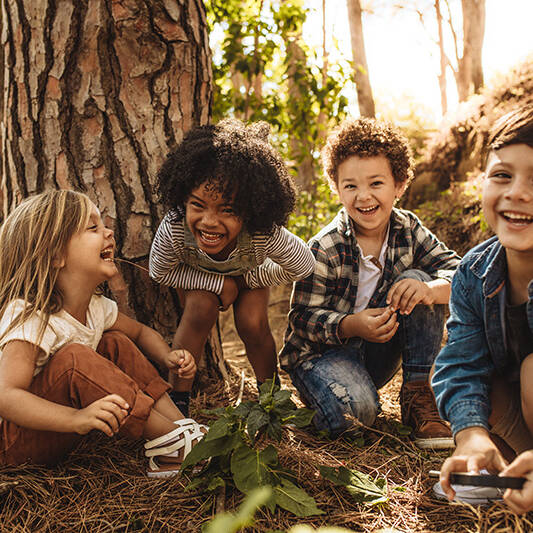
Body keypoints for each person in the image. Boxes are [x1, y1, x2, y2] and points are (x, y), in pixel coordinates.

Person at [280, 117, 460, 448]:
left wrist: (430, 290)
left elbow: (460, 273)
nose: (364, 196)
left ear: (400, 184)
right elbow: (301, 319)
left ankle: (418, 394)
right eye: (351, 186)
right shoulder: (325, 246)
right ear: (336, 188)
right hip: (321, 357)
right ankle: (334, 400)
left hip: (377, 352)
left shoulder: (408, 229)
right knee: (357, 415)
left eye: (376, 183)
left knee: (418, 281)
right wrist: (351, 325)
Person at [0, 190, 206, 478]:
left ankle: (180, 428)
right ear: (56, 255)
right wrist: (76, 418)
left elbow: (140, 332)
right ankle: (174, 443)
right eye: (93, 227)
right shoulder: (32, 316)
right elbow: (7, 397)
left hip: (58, 431)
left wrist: (167, 355)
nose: (109, 232)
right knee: (75, 358)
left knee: (116, 342)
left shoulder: (97, 308)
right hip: (13, 444)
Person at [149, 118, 315, 416]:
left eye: (227, 210)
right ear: (183, 199)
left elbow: (303, 264)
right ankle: (177, 406)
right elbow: (159, 271)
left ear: (251, 210)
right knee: (199, 308)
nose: (209, 221)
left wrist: (252, 277)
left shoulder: (262, 233)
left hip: (249, 276)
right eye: (197, 205)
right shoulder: (175, 227)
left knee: (252, 322)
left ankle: (271, 400)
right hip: (199, 279)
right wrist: (218, 284)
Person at [432, 105, 533, 509]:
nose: (518, 193)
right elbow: (460, 363)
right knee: (478, 380)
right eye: (503, 175)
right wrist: (471, 435)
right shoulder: (473, 272)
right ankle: (509, 469)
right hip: (519, 417)